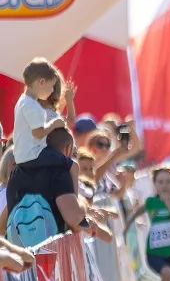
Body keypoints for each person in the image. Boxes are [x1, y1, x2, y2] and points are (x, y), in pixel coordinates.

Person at [3, 128, 104, 243]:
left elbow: (3, 223)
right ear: (68, 149)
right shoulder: (59, 173)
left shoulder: (17, 172)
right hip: (50, 255)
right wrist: (83, 203)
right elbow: (75, 220)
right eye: (74, 153)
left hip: (20, 254)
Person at [12, 58, 78, 191]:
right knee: (73, 166)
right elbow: (38, 133)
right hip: (34, 155)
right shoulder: (32, 106)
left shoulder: (23, 101)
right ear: (41, 82)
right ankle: (73, 202)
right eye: (51, 86)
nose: (53, 90)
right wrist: (53, 125)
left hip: (24, 155)